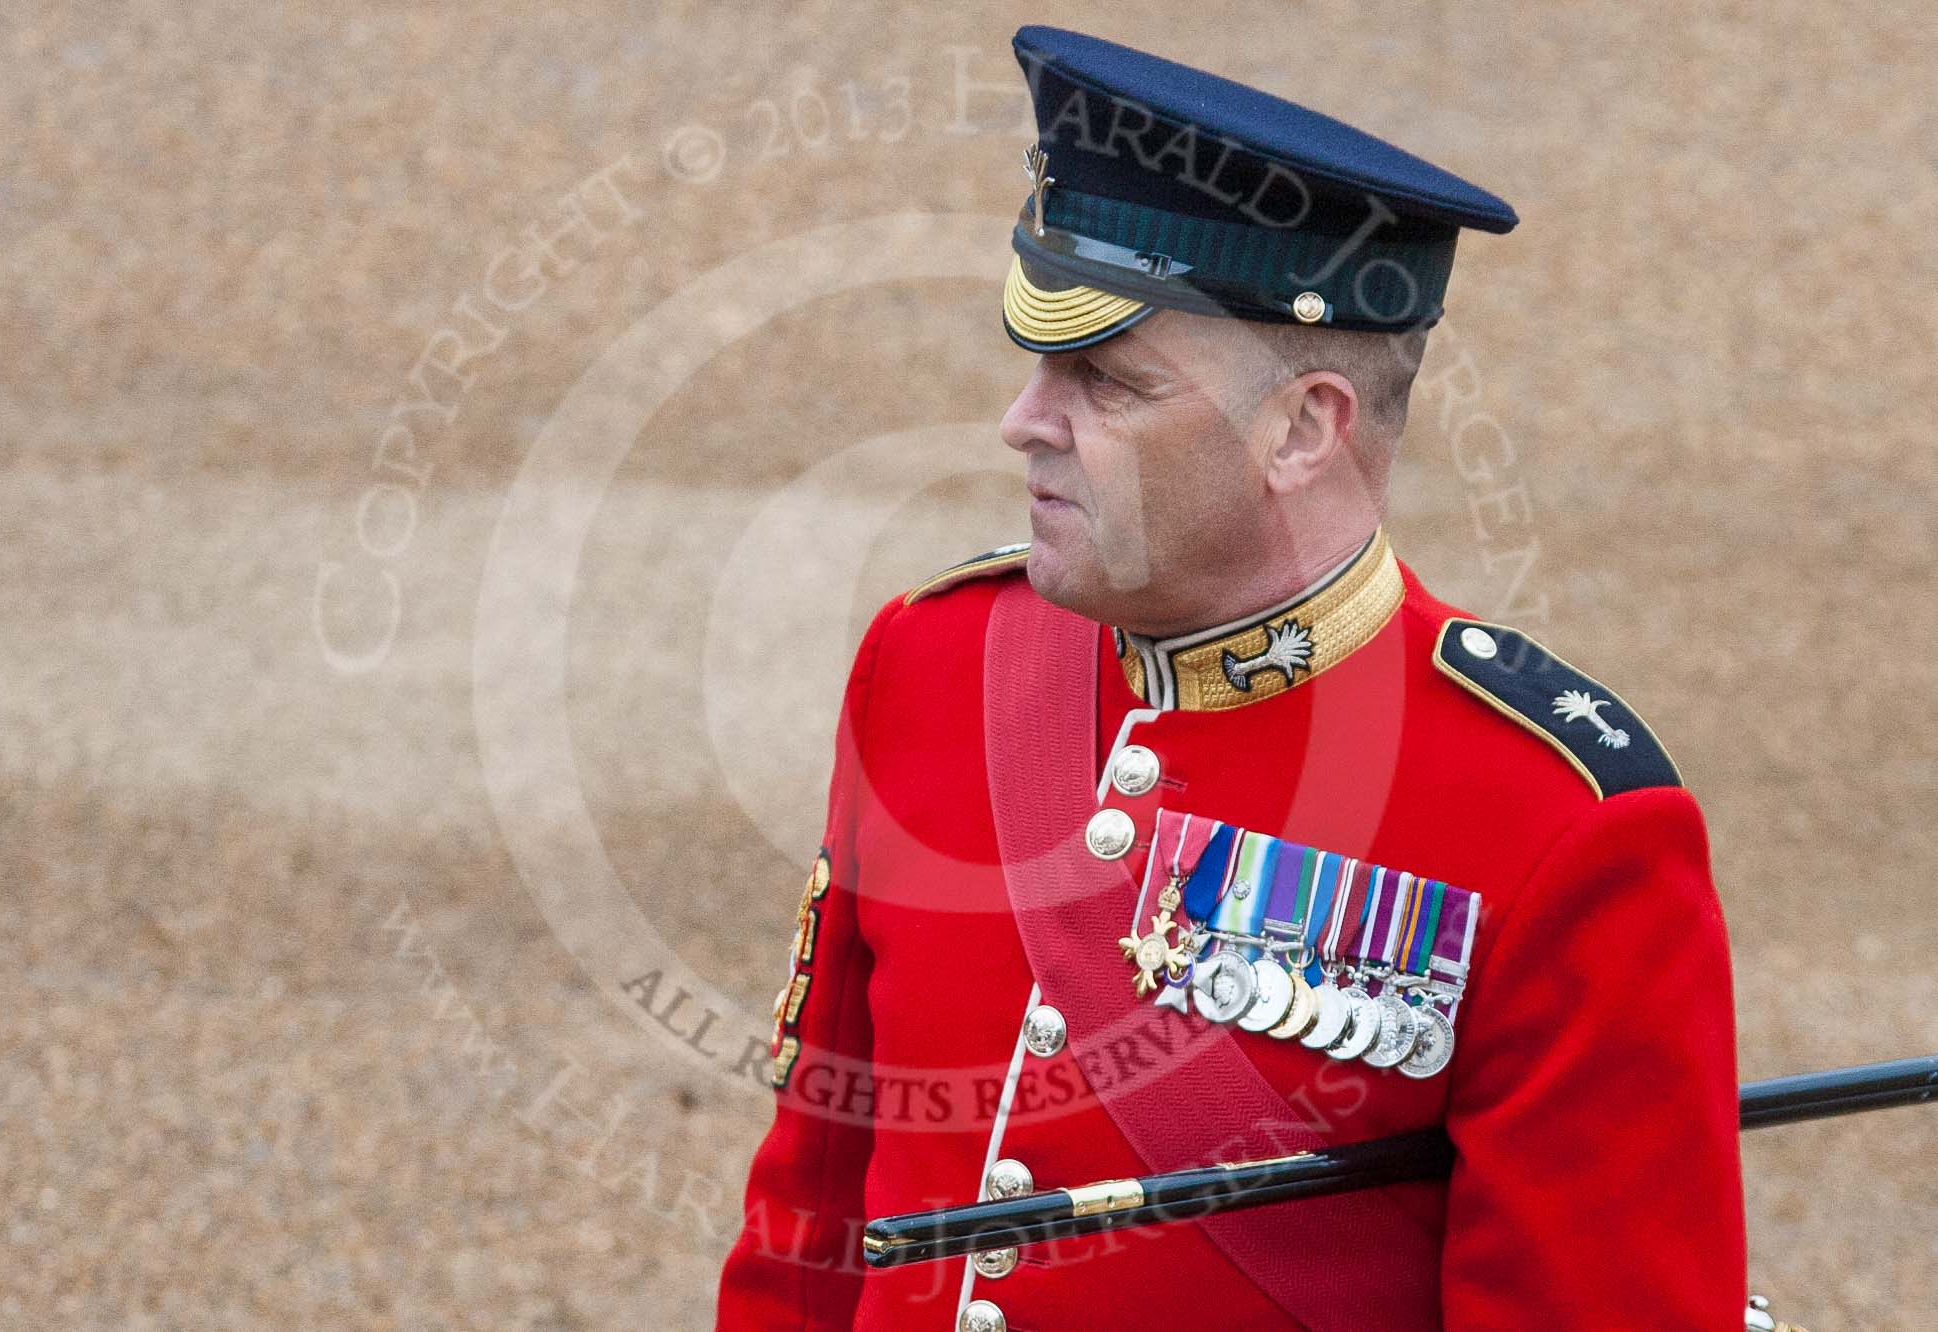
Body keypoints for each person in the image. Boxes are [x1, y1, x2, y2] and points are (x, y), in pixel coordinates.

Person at [716, 25, 1745, 1331]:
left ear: (1301, 429)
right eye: (1038, 362)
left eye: (1105, 380)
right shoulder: (928, 662)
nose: (1024, 420)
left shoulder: (1555, 824)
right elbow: (808, 1219)